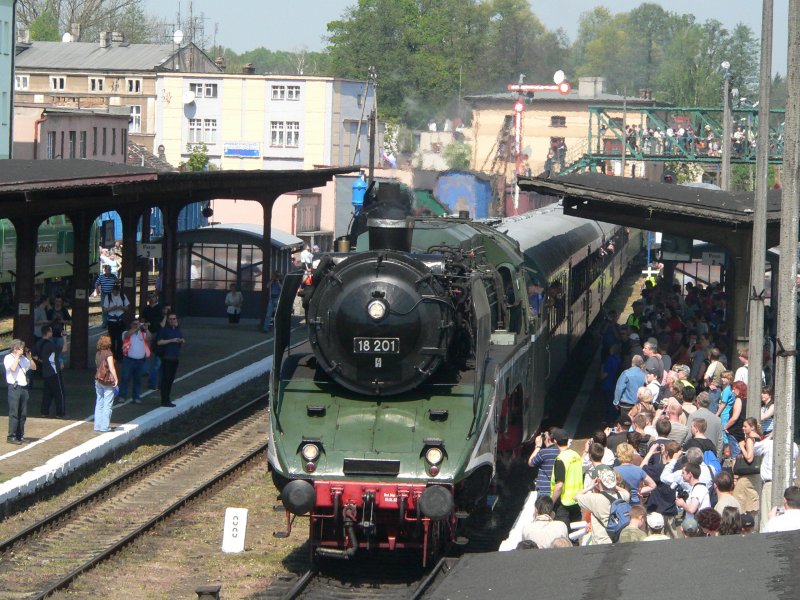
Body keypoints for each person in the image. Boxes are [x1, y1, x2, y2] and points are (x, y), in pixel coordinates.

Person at [574, 466, 631, 545]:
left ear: (599, 482)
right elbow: (627, 493)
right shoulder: (622, 496)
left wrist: (590, 486)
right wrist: (614, 486)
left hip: (601, 541)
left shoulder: (595, 499)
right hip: (618, 538)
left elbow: (576, 497)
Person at [549, 427, 583, 528]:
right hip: (576, 500)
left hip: (563, 504)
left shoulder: (560, 459)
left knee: (564, 536)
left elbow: (559, 486)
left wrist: (551, 503)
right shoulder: (575, 455)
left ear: (555, 441)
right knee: (575, 534)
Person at [5, 339, 36, 444]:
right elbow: (13, 369)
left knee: (23, 413)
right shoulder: (8, 358)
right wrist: (17, 356)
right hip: (14, 387)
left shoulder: (24, 359)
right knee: (14, 412)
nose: (23, 349)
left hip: (23, 388)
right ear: (15, 348)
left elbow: (34, 367)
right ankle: (11, 436)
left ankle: (20, 435)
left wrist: (29, 358)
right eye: (21, 348)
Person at [118, 318, 151, 404]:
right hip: (129, 360)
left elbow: (149, 338)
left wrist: (146, 329)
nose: (137, 325)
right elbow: (127, 336)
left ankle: (136, 397)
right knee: (125, 378)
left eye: (138, 324)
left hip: (140, 361)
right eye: (134, 324)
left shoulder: (142, 334)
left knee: (138, 380)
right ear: (131, 325)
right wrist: (137, 328)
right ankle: (122, 396)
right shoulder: (125, 333)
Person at [156, 312, 185, 408]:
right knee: (166, 379)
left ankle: (167, 398)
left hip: (175, 358)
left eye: (174, 319)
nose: (173, 321)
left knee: (171, 380)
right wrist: (172, 340)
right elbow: (159, 342)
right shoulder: (164, 330)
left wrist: (181, 341)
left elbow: (182, 339)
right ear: (168, 320)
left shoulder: (177, 330)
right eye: (171, 319)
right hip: (167, 358)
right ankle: (164, 400)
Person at [37, 325, 66, 418]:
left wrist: (41, 361)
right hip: (54, 371)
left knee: (47, 393)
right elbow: (64, 349)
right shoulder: (50, 344)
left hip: (45, 371)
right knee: (59, 393)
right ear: (48, 332)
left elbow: (33, 355)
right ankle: (60, 413)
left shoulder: (38, 343)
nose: (52, 332)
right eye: (51, 331)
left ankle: (44, 412)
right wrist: (64, 337)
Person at [94, 335, 119, 433]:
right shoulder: (109, 353)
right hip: (107, 381)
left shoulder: (98, 353)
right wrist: (116, 379)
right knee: (107, 404)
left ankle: (97, 425)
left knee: (99, 403)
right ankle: (105, 427)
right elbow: (111, 368)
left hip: (98, 380)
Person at [141, 292, 166, 390]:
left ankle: (152, 368)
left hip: (157, 332)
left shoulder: (159, 308)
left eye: (153, 297)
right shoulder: (146, 308)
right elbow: (143, 318)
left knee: (156, 352)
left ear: (156, 298)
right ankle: (146, 370)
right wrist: (144, 324)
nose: (151, 299)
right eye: (150, 297)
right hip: (148, 332)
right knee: (147, 352)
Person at [529, 429, 560, 497]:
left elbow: (531, 463)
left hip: (544, 490)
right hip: (556, 490)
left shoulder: (544, 452)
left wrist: (538, 446)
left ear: (548, 438)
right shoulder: (560, 451)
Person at [103, 284, 129, 359]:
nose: (116, 293)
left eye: (117, 291)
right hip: (111, 321)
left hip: (120, 321)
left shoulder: (122, 296)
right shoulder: (108, 297)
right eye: (114, 291)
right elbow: (105, 309)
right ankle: (112, 355)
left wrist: (122, 307)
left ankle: (120, 355)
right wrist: (112, 308)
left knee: (120, 339)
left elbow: (127, 308)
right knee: (112, 339)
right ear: (112, 290)